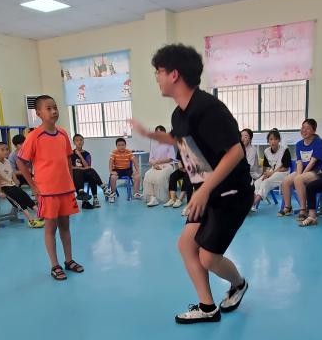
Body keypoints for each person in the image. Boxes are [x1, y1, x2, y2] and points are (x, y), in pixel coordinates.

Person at [129, 43, 252, 324]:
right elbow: (182, 142)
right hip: (207, 193)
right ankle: (207, 307)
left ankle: (238, 283)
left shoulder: (209, 108)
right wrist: (149, 134)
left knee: (208, 257)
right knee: (186, 245)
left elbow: (235, 151)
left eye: (159, 71)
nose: (156, 77)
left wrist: (205, 190)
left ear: (174, 74)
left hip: (231, 194)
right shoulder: (179, 113)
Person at [16, 95, 84, 281]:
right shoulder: (34, 136)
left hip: (65, 189)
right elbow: (21, 162)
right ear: (38, 113)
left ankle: (69, 261)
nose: (54, 111)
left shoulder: (63, 134)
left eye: (55, 107)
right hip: (47, 191)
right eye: (48, 108)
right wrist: (33, 186)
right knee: (50, 229)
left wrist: (71, 182)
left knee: (65, 227)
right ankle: (55, 265)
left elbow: (68, 160)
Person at [279, 118, 322, 220]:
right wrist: (299, 174)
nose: (304, 130)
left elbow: (313, 162)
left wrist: (300, 176)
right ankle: (288, 207)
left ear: (314, 131)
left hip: (318, 171)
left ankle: (303, 209)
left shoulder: (319, 142)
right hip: (305, 170)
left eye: (308, 128)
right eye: (303, 127)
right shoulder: (299, 144)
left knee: (299, 179)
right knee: (286, 181)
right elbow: (299, 162)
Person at [0, 142, 44, 228]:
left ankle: (41, 215)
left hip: (11, 185)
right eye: (2, 150)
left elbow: (12, 173)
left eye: (7, 149)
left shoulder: (7, 161)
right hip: (3, 187)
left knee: (25, 196)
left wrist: (16, 181)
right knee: (18, 200)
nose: (5, 151)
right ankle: (31, 220)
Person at [251, 128, 292, 212]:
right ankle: (251, 204)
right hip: (272, 172)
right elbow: (266, 167)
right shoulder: (266, 151)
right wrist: (265, 174)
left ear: (279, 140)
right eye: (271, 139)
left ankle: (254, 203)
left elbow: (286, 167)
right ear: (268, 141)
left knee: (266, 182)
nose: (273, 141)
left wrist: (272, 173)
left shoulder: (285, 150)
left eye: (275, 139)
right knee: (257, 182)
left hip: (283, 173)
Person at [141, 126, 177, 207]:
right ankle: (153, 198)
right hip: (156, 166)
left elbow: (170, 159)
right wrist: (154, 165)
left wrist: (158, 162)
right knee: (147, 175)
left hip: (167, 165)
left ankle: (160, 198)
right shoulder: (154, 145)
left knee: (160, 177)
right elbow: (150, 160)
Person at [68, 134, 106, 209]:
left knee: (91, 173)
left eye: (81, 140)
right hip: (76, 176)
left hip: (86, 175)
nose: (79, 142)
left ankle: (95, 198)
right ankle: (102, 187)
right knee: (78, 171)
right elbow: (70, 167)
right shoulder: (71, 154)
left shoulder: (87, 154)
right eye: (77, 140)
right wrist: (80, 168)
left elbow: (88, 167)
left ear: (83, 141)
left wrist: (80, 156)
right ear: (74, 142)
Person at [108, 137, 141, 202]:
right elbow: (110, 162)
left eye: (123, 145)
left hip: (127, 170)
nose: (121, 147)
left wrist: (137, 170)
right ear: (116, 146)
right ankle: (113, 195)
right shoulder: (114, 152)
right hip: (117, 170)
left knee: (137, 176)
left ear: (125, 145)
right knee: (112, 178)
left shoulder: (128, 152)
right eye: (119, 145)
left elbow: (135, 161)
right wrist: (111, 171)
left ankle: (135, 194)